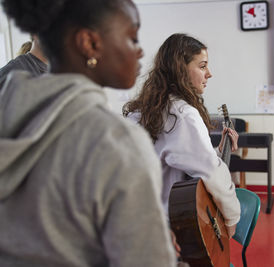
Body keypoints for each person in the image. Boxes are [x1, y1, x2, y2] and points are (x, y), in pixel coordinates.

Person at [0, 0, 176, 266]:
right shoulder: (118, 142)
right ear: (89, 44)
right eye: (132, 38)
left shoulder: (10, 109)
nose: (140, 52)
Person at [123, 33, 241, 238]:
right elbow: (211, 173)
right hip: (169, 230)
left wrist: (219, 149)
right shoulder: (183, 114)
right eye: (202, 66)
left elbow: (172, 156)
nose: (209, 74)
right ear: (181, 68)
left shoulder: (140, 111)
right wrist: (232, 217)